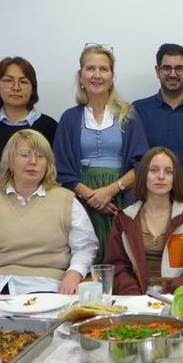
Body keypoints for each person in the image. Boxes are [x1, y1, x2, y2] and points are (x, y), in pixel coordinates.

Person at [0, 130, 98, 295]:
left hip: (48, 288)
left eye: (40, 156)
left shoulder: (66, 200)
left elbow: (85, 247)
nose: (33, 162)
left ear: (48, 164)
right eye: (25, 155)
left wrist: (74, 273)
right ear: (10, 161)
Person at [53, 43, 149, 262]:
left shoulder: (128, 115)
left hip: (122, 200)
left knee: (124, 260)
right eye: (90, 68)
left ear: (112, 77)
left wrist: (110, 191)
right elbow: (60, 168)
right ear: (81, 75)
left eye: (103, 69)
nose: (97, 75)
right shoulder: (69, 118)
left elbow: (142, 163)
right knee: (85, 259)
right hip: (81, 202)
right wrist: (91, 196)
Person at [104, 147, 183, 295]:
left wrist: (166, 291)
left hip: (177, 300)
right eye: (154, 170)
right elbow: (117, 268)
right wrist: (137, 297)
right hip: (134, 300)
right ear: (143, 175)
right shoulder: (124, 219)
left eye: (168, 172)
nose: (161, 176)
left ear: (175, 178)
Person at [133, 43, 183, 214]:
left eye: (179, 68)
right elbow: (135, 162)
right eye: (166, 68)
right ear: (158, 71)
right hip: (149, 208)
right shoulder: (139, 110)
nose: (172, 74)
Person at [0, 57, 57, 185]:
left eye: (23, 82)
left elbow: (55, 172)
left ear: (33, 88)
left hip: (40, 196)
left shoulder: (50, 126)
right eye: (8, 81)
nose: (16, 87)